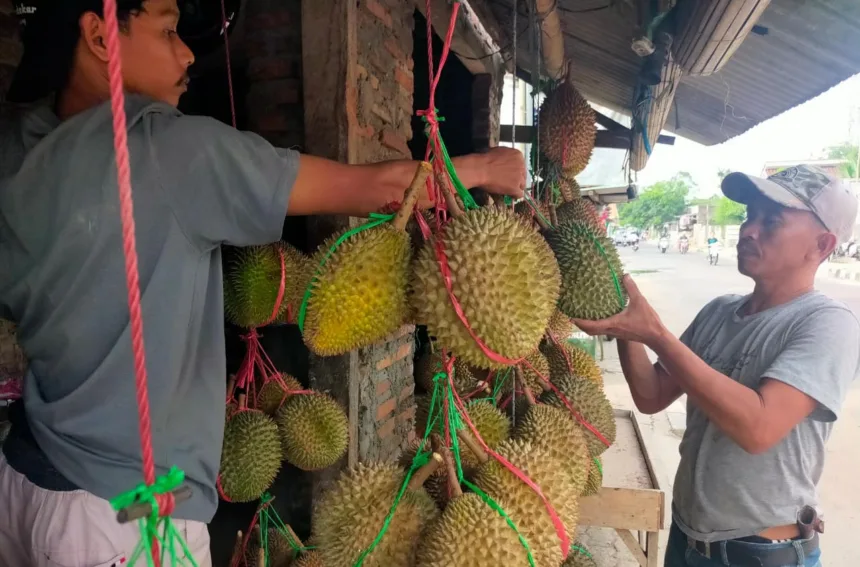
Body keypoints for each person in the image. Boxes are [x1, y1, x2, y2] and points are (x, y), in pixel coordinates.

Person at [0, 1, 527, 565]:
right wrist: (481, 170)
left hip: (22, 473)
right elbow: (368, 186)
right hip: (128, 514)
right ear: (101, 36)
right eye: (169, 30)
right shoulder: (170, 152)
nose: (187, 52)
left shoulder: (17, 148)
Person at [575, 165, 860, 567]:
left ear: (821, 245)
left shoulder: (828, 323)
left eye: (771, 221)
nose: (749, 230)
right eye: (749, 216)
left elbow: (758, 428)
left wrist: (657, 334)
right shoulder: (719, 312)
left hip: (760, 554)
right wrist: (622, 323)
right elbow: (651, 395)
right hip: (688, 537)